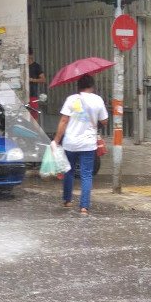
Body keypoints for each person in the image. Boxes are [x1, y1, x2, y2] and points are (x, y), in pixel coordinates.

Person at [53, 74, 108, 216]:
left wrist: (57, 139)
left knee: (68, 171)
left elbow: (64, 121)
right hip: (88, 143)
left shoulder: (71, 99)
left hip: (70, 142)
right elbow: (105, 121)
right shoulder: (97, 100)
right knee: (86, 175)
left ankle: (67, 200)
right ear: (92, 86)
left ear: (78, 86)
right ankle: (84, 207)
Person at [28, 48, 46, 123]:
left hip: (33, 95)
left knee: (34, 116)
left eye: (28, 54)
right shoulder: (21, 66)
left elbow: (43, 79)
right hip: (21, 96)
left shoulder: (36, 66)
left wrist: (32, 80)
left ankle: (35, 132)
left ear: (31, 55)